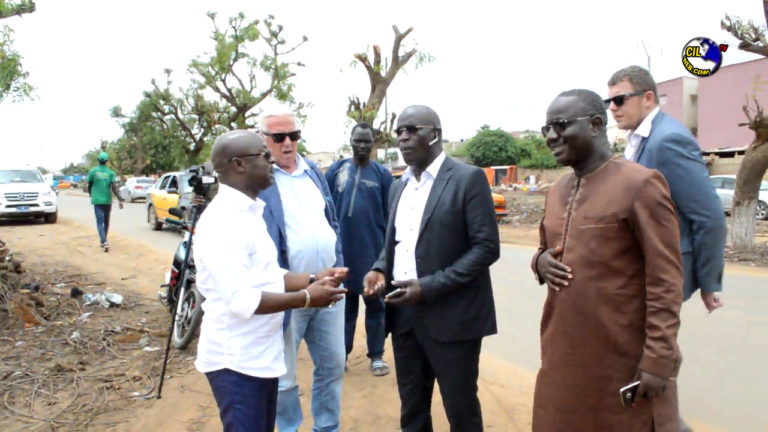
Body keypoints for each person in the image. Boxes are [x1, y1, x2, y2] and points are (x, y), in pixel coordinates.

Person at [532, 89, 683, 431]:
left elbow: (666, 280)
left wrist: (659, 358)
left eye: (560, 125)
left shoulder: (641, 185)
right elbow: (545, 248)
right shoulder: (556, 191)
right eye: (546, 129)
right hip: (562, 356)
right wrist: (540, 262)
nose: (551, 136)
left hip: (621, 358)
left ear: (597, 124)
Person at [192, 130, 347, 432]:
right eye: (264, 155)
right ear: (238, 165)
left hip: (260, 356)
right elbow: (242, 300)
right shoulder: (223, 221)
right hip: (236, 362)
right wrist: (306, 298)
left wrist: (314, 278)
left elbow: (269, 275)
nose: (271, 161)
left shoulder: (251, 211)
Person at [364, 105, 500, 432]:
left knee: (461, 408)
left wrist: (430, 286)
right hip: (405, 316)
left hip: (454, 317)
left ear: (435, 134)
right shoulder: (398, 186)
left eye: (412, 129)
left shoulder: (468, 179)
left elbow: (486, 248)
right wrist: (380, 269)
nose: (404, 137)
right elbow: (394, 245)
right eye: (399, 132)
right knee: (412, 409)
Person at [606, 65, 726, 313]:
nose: (612, 108)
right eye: (609, 101)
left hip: (660, 276)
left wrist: (708, 282)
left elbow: (709, 215)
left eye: (619, 100)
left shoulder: (668, 140)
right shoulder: (639, 138)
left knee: (654, 348)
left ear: (647, 98)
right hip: (636, 272)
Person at [258, 112, 346, 432]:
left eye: (293, 135)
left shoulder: (312, 171)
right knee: (283, 375)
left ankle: (327, 428)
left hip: (329, 287)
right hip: (288, 293)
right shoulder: (260, 178)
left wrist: (337, 260)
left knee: (334, 365)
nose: (287, 143)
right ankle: (289, 427)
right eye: (278, 137)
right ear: (264, 140)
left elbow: (331, 219)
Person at [325, 122, 393, 377]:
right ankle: (341, 354)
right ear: (351, 141)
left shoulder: (382, 175)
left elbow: (390, 215)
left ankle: (376, 355)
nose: (362, 145)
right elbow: (324, 209)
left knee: (376, 306)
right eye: (358, 140)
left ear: (373, 143)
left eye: (367, 141)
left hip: (372, 254)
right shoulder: (336, 171)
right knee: (345, 308)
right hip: (342, 254)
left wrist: (385, 257)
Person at [87, 151, 124, 252]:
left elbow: (89, 185)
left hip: (97, 200)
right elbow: (114, 188)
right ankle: (104, 240)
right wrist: (120, 198)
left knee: (99, 222)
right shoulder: (111, 173)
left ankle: (104, 241)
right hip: (107, 200)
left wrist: (91, 194)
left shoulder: (93, 172)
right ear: (107, 161)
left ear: (98, 160)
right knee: (106, 221)